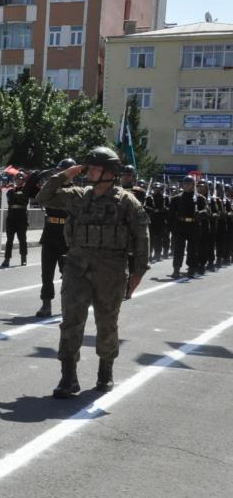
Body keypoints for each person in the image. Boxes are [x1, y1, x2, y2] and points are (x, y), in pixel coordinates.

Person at [36, 146, 149, 398]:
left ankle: (105, 371)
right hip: (76, 266)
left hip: (111, 270)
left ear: (110, 173)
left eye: (95, 167)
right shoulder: (79, 195)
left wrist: (138, 273)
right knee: (70, 322)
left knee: (107, 323)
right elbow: (43, 197)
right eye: (90, 167)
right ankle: (68, 377)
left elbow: (142, 238)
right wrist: (67, 173)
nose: (90, 171)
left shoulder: (126, 202)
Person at [33, 159, 75, 318]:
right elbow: (36, 195)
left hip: (67, 236)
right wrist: (37, 177)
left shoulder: (76, 191)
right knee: (46, 272)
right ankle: (46, 304)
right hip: (50, 233)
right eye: (59, 171)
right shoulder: (50, 190)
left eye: (63, 171)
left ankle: (69, 304)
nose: (60, 173)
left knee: (68, 273)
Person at [169, 176, 205, 279]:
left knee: (192, 249)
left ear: (193, 185)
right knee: (178, 249)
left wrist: (201, 213)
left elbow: (207, 211)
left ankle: (191, 269)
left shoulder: (200, 198)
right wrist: (172, 228)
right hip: (180, 225)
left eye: (189, 183)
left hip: (194, 226)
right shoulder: (176, 198)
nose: (187, 185)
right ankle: (176, 269)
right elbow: (171, 215)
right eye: (185, 183)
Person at [1, 172, 30, 268]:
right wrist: (18, 195)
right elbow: (10, 198)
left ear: (23, 180)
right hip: (11, 217)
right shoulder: (11, 191)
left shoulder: (26, 191)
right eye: (17, 179)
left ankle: (23, 258)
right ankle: (7, 259)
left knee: (22, 239)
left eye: (20, 179)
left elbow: (24, 199)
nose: (19, 181)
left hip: (21, 217)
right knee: (9, 240)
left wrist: (18, 196)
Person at [145, 182, 169, 263]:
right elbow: (145, 207)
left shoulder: (165, 198)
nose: (157, 190)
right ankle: (149, 255)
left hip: (161, 221)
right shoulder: (149, 198)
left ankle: (157, 254)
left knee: (159, 239)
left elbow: (169, 209)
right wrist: (153, 210)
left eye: (159, 189)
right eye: (156, 189)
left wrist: (161, 210)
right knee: (150, 239)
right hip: (151, 220)